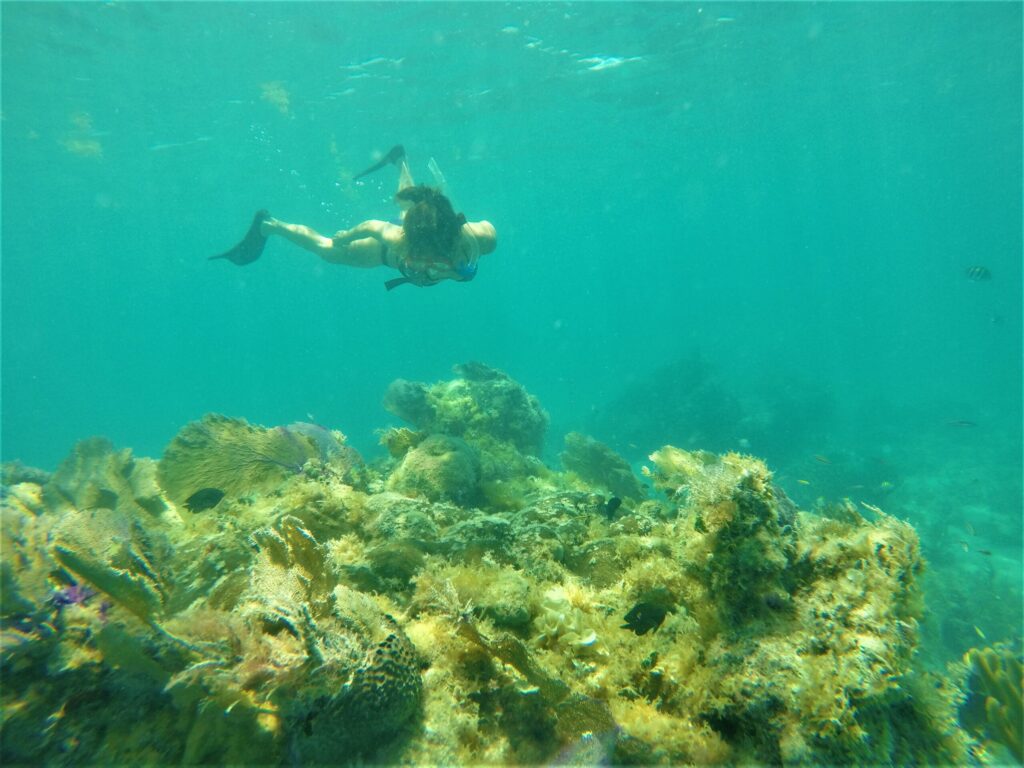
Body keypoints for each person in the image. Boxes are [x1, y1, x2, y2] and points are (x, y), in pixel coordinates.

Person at [211, 146, 497, 290]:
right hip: (382, 254)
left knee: (407, 208)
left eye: (432, 263)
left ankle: (400, 161)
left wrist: (460, 262)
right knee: (328, 251)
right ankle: (269, 226)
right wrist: (346, 237)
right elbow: (372, 226)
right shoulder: (397, 239)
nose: (426, 270)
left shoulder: (474, 240)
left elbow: (487, 230)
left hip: (434, 229)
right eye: (419, 261)